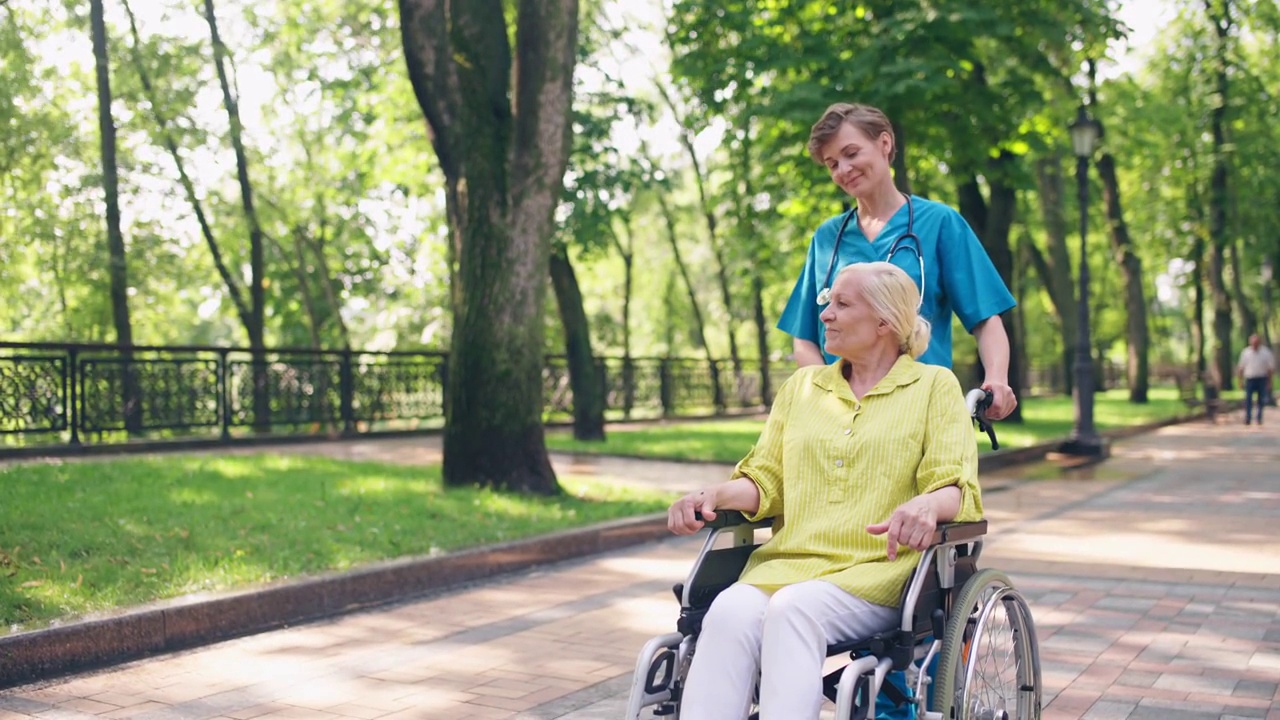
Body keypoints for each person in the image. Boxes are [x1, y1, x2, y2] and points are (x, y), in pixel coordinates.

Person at [668, 262, 984, 719]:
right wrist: (713, 496)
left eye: (841, 303)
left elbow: (953, 485)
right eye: (827, 303)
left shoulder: (933, 386)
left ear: (883, 322)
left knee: (794, 611)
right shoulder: (804, 387)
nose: (825, 315)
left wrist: (926, 505)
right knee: (729, 611)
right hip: (787, 564)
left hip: (877, 571)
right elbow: (766, 481)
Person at [778, 102, 1018, 420]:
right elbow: (805, 335)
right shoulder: (827, 238)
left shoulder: (940, 223)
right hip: (844, 417)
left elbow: (986, 318)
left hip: (920, 409)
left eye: (851, 153)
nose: (843, 170)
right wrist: (829, 399)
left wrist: (997, 379)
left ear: (885, 143)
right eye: (832, 163)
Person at [1236, 333, 1274, 425]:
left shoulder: (1266, 353)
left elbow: (1269, 369)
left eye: (1256, 343)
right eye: (1253, 343)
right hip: (1250, 379)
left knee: (1261, 399)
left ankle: (1259, 417)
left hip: (1261, 378)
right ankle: (1248, 417)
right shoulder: (1246, 353)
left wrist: (1269, 382)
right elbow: (1241, 367)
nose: (1255, 345)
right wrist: (1240, 381)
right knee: (1248, 399)